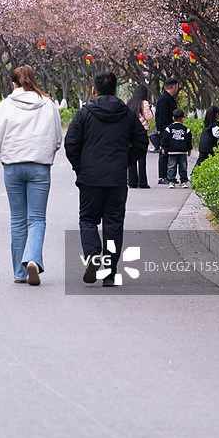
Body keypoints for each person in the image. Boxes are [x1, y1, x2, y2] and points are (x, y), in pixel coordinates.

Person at [64, 70, 148, 287]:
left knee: (88, 220)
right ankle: (110, 273)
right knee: (113, 224)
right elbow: (141, 142)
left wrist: (80, 168)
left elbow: (71, 143)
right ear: (116, 89)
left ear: (94, 90)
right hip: (117, 179)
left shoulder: (84, 114)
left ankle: (92, 255)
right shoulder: (128, 114)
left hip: (90, 179)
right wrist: (125, 161)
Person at [0, 65, 62, 286]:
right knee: (37, 219)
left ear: (14, 84)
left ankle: (20, 274)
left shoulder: (4, 107)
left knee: (17, 220)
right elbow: (58, 139)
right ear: (33, 81)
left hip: (12, 167)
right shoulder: (49, 105)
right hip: (40, 166)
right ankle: (32, 259)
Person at [127, 83, 155, 188]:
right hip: (141, 132)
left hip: (130, 133)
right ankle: (142, 182)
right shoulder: (144, 103)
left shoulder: (130, 103)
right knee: (142, 158)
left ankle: (132, 181)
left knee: (131, 158)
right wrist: (153, 110)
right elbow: (149, 117)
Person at [160, 108, 192, 189]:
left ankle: (171, 181)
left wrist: (164, 147)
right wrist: (189, 149)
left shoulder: (169, 129)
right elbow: (189, 141)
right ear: (182, 119)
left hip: (172, 152)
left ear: (173, 118)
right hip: (182, 152)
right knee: (183, 167)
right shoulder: (186, 129)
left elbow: (165, 139)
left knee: (171, 167)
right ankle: (183, 181)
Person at [155, 77, 179, 184]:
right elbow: (163, 116)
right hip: (166, 129)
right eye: (177, 86)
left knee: (168, 152)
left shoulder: (169, 98)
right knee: (164, 152)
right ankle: (162, 177)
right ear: (173, 86)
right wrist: (166, 130)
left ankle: (168, 175)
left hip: (169, 128)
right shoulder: (164, 99)